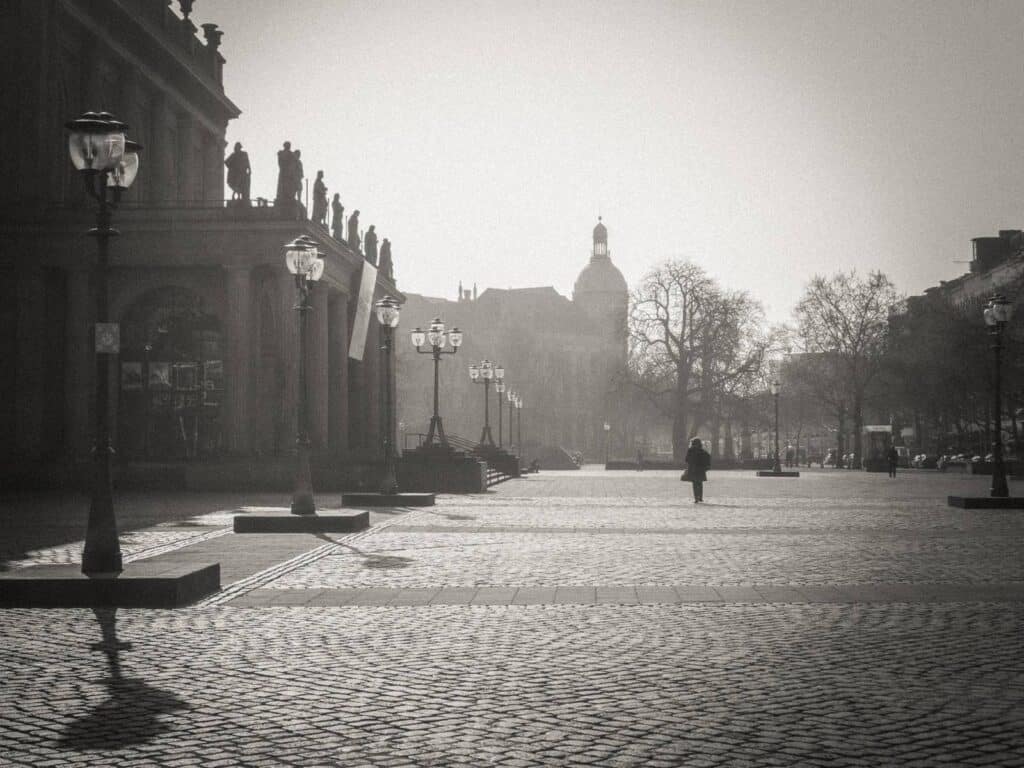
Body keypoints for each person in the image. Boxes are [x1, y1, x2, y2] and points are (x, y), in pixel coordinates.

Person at [684, 438, 711, 503]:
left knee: (694, 484)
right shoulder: (702, 451)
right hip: (701, 469)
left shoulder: (690, 450)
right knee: (700, 483)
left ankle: (696, 498)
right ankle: (700, 497)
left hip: (693, 469)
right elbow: (708, 458)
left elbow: (686, 459)